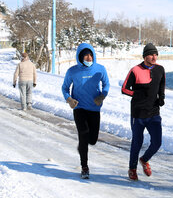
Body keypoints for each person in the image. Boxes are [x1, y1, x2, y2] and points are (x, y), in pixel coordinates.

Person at [61, 43, 110, 179]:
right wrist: (69, 99)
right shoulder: (72, 71)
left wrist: (102, 96)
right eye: (85, 55)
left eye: (90, 55)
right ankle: (84, 167)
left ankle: (82, 146)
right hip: (79, 108)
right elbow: (65, 88)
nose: (88, 58)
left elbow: (106, 84)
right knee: (83, 134)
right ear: (80, 57)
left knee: (92, 140)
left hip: (94, 108)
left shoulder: (100, 69)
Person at [122, 43, 165, 181]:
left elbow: (161, 85)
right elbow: (124, 88)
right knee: (137, 142)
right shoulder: (135, 70)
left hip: (154, 112)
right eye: (151, 54)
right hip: (138, 113)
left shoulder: (160, 69)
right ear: (145, 56)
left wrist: (162, 97)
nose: (154, 57)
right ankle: (132, 169)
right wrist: (137, 94)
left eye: (156, 54)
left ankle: (145, 159)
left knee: (157, 142)